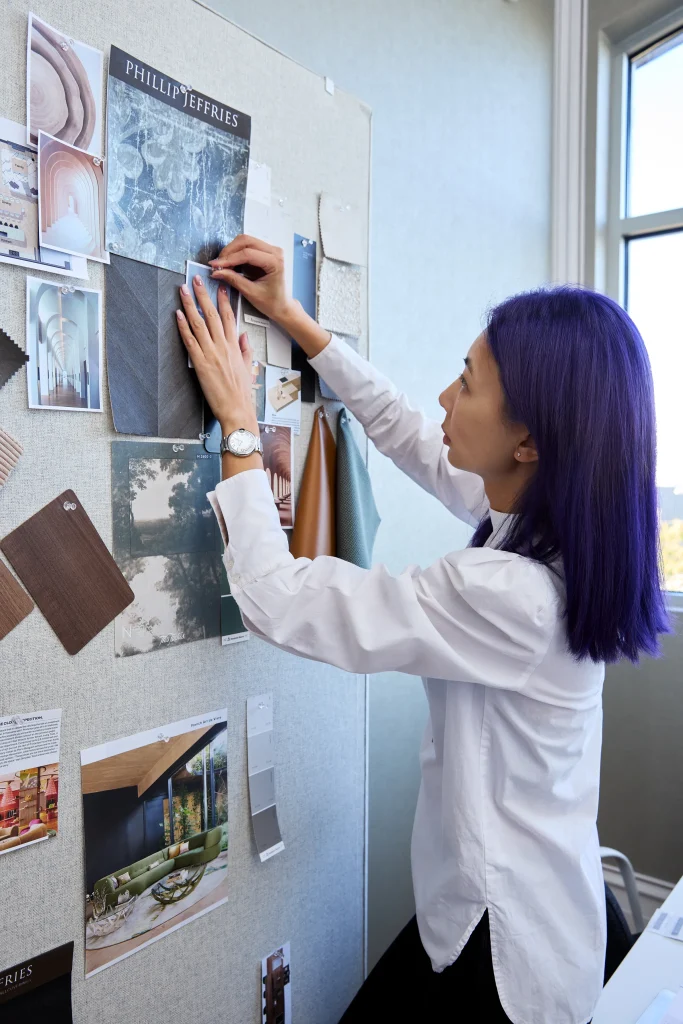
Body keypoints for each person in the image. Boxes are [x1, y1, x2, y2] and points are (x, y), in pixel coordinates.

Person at [175, 236, 670, 1024]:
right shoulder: (553, 524)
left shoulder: (513, 594)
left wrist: (241, 424)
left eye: (467, 383)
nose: (444, 396)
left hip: (502, 950)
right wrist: (296, 322)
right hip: (530, 902)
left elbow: (278, 598)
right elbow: (409, 432)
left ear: (528, 442)